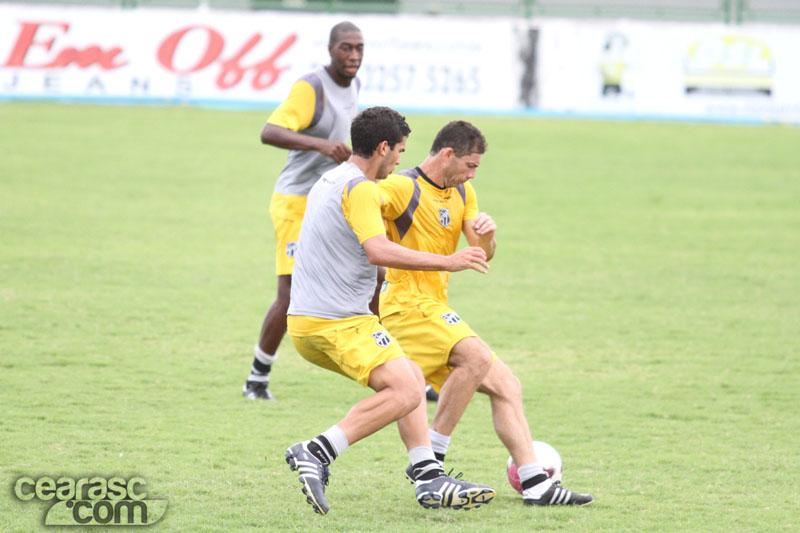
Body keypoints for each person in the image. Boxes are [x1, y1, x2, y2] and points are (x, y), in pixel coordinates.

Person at [284, 107, 496, 515]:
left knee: (410, 374)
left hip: (307, 321)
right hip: (337, 321)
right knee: (408, 389)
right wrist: (448, 261)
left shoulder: (329, 179)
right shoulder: (361, 188)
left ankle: (429, 476)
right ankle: (316, 451)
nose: (401, 160)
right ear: (382, 148)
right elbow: (378, 250)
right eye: (399, 150)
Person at [377, 120, 594, 507]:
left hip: (435, 306)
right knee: (475, 356)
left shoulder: (463, 191)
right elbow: (361, 225)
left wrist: (488, 234)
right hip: (406, 305)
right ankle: (431, 459)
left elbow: (482, 253)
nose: (473, 173)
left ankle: (536, 485)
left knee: (508, 385)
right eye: (470, 165)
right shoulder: (400, 188)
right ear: (447, 154)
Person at [243, 22, 365, 401]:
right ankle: (256, 380)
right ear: (330, 49)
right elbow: (269, 132)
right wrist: (322, 145)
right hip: (296, 201)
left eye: (359, 48)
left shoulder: (354, 86)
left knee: (371, 276)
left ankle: (399, 367)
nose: (353, 56)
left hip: (328, 201)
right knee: (292, 291)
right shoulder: (311, 87)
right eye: (346, 48)